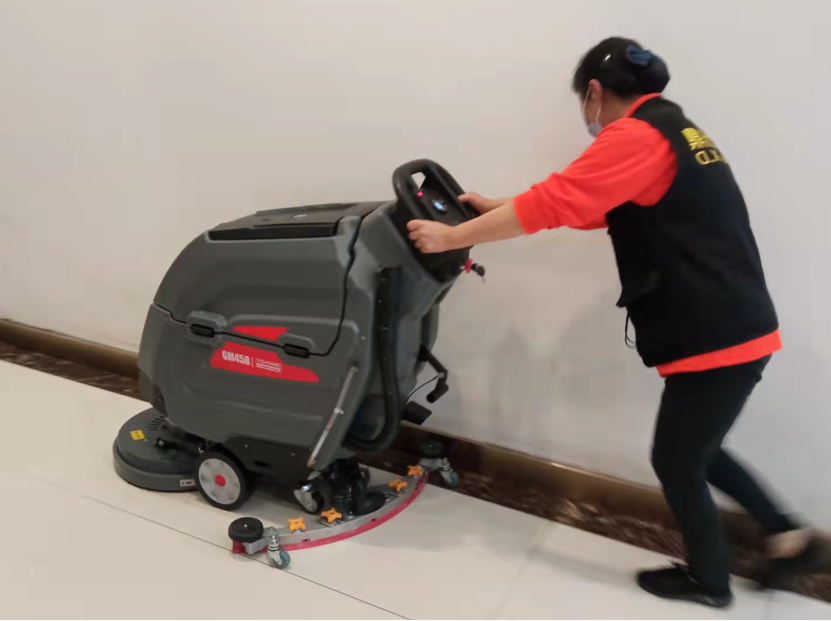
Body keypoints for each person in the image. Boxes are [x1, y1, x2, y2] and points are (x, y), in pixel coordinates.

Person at [407, 37, 828, 608]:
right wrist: (498, 206)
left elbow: (559, 201)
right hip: (735, 324)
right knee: (700, 449)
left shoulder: (635, 135)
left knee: (677, 459)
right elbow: (593, 203)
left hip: (717, 332)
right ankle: (789, 538)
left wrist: (451, 236)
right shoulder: (676, 131)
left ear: (594, 93)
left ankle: (710, 581)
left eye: (586, 101)